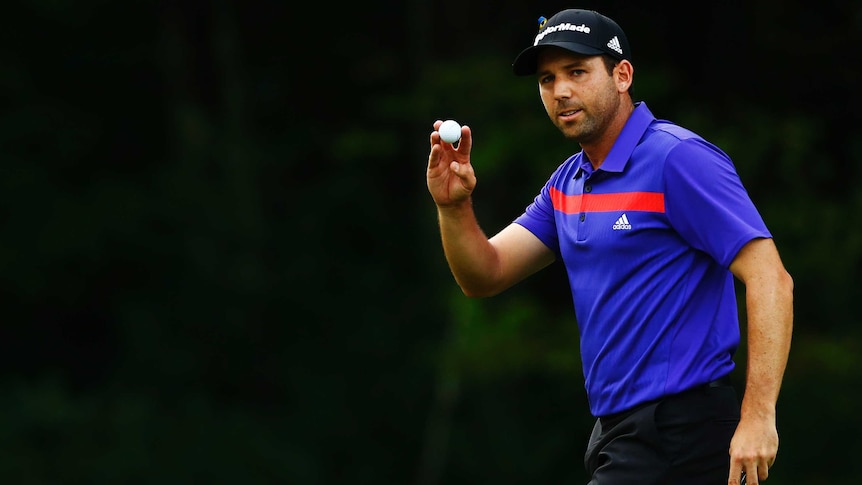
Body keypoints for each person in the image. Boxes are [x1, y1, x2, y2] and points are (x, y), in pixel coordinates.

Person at [425, 8, 793, 485]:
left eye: (577, 72)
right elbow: (485, 274)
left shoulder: (677, 159)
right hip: (617, 434)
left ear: (622, 76)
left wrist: (759, 416)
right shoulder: (568, 182)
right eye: (546, 79)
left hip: (681, 429)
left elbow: (769, 277)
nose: (560, 92)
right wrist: (454, 208)